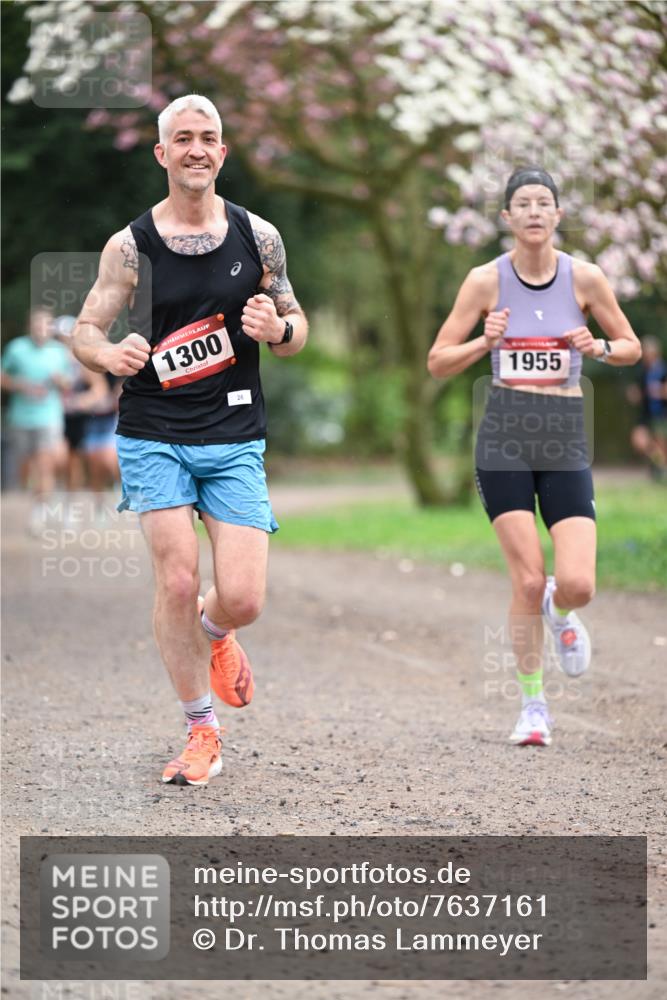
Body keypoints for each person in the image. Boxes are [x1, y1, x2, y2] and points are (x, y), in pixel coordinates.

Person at [73, 95, 308, 785]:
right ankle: (201, 729)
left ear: (223, 151)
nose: (196, 149)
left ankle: (216, 631)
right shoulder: (129, 246)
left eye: (208, 137)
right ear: (162, 153)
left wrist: (279, 332)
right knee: (177, 579)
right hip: (154, 432)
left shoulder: (258, 236)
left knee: (242, 598)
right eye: (183, 139)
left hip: (234, 434)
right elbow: (87, 329)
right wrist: (105, 356)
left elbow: (297, 326)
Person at [428, 166, 641, 747]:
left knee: (577, 583)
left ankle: (561, 606)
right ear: (507, 218)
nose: (533, 212)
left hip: (565, 435)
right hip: (504, 438)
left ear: (557, 215)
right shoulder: (484, 282)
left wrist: (597, 345)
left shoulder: (585, 278)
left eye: (543, 202)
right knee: (525, 579)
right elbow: (438, 359)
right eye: (522, 203)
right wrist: (483, 342)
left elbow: (631, 346)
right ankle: (533, 706)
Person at [1, 307, 70, 533]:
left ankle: (40, 512)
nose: (42, 329)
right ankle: (39, 502)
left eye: (46, 325)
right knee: (29, 467)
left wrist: (60, 381)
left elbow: (68, 385)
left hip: (49, 416)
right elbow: (2, 378)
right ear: (30, 326)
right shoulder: (16, 348)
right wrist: (20, 385)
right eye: (38, 324)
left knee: (45, 464)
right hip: (21, 418)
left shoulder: (59, 351)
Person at [626, 335, 667, 479]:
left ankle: (659, 471)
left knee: (660, 445)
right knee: (639, 441)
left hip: (661, 414)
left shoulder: (663, 370)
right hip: (645, 414)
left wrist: (659, 392)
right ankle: (661, 466)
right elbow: (639, 392)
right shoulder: (642, 372)